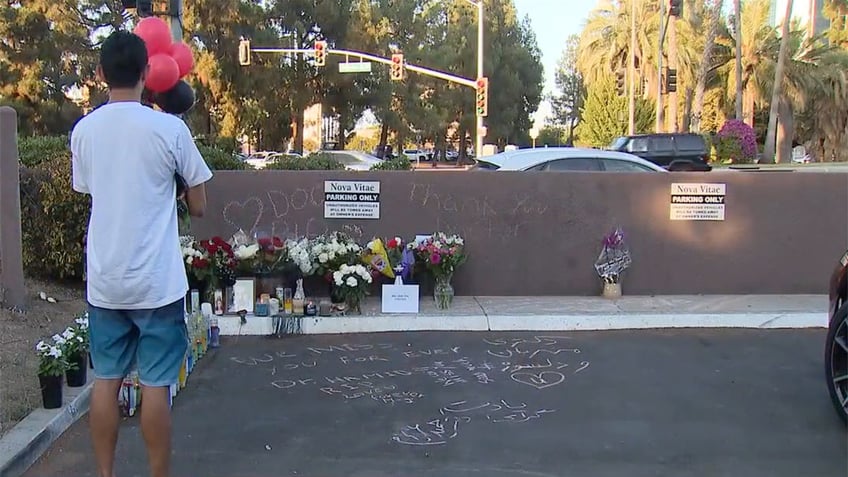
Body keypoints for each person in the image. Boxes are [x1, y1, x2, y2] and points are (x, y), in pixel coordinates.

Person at [70, 30, 212, 477]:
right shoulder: (170, 128)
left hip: (107, 279)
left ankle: (106, 473)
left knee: (105, 381)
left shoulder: (84, 130)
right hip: (157, 281)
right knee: (156, 386)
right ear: (148, 73)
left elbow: (90, 189)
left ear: (99, 75)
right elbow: (200, 206)